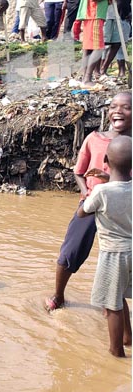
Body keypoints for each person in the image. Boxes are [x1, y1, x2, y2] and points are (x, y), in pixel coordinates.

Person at [45, 91, 132, 312]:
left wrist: (108, 180)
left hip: (124, 209)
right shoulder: (94, 139)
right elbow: (79, 172)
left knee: (119, 256)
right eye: (113, 106)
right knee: (70, 251)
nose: (118, 111)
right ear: (108, 111)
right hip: (92, 203)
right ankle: (58, 296)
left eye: (126, 107)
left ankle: (112, 305)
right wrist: (85, 192)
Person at [77, 135, 132, 357]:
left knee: (111, 305)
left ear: (106, 160)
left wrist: (86, 196)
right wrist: (108, 178)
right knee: (119, 296)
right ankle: (128, 337)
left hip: (113, 254)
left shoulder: (101, 192)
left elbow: (83, 212)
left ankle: (116, 351)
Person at [74, 0, 109, 88]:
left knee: (89, 48)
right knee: (98, 48)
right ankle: (87, 79)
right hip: (94, 14)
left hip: (91, 14)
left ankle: (85, 79)